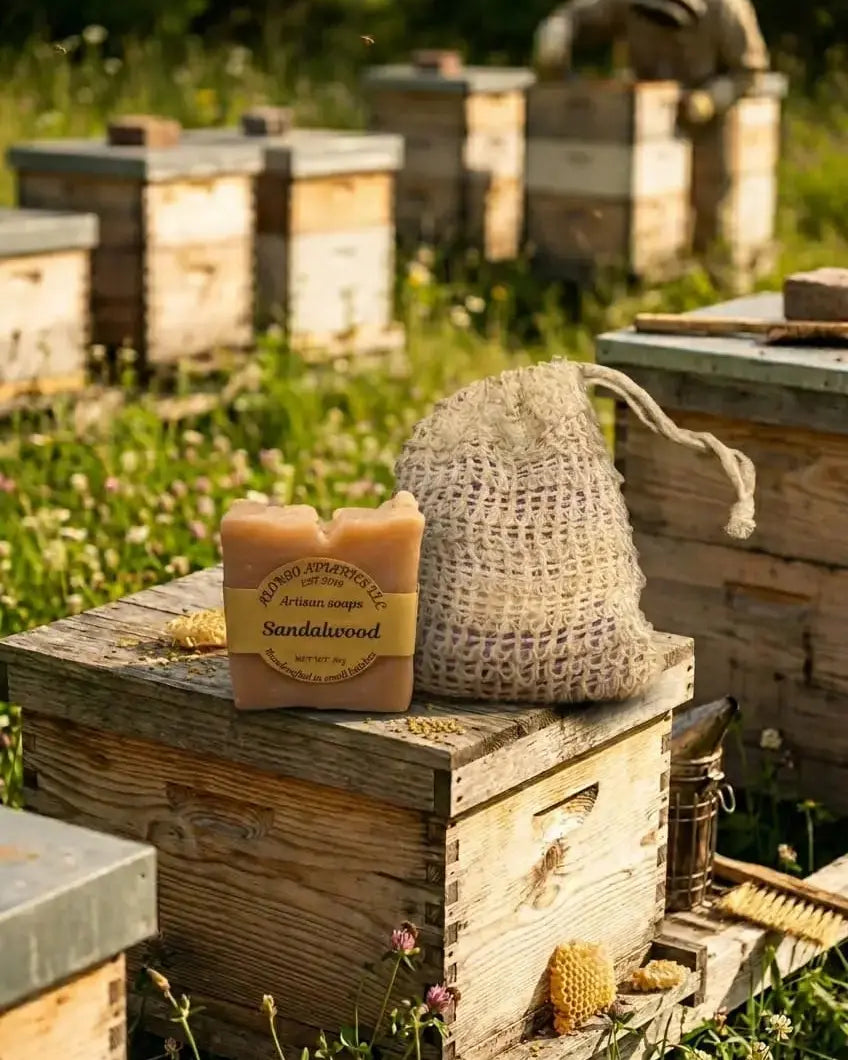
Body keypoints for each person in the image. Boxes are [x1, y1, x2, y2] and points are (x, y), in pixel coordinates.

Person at [533, 0, 770, 124]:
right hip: (644, 114)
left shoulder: (727, 8)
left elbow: (750, 71)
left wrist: (710, 100)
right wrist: (555, 34)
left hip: (708, 127)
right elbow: (577, 15)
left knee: (710, 211)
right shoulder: (627, 3)